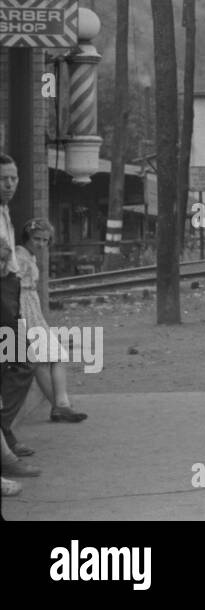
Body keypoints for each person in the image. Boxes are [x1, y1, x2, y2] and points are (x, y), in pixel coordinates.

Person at [16, 219, 87, 423]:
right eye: (36, 239)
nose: (40, 244)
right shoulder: (21, 255)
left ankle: (59, 407)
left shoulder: (28, 256)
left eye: (45, 240)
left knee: (40, 362)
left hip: (30, 308)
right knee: (57, 355)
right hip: (25, 309)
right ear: (27, 237)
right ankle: (61, 405)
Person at [0, 152, 37, 464]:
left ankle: (4, 430)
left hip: (9, 290)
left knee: (16, 361)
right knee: (19, 360)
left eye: (14, 178)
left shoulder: (4, 210)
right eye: (3, 179)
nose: (10, 184)